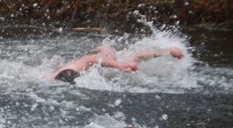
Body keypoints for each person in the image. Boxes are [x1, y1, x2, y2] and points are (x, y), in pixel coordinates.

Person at [50, 45, 184, 83]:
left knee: (131, 61)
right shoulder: (51, 78)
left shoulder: (74, 68)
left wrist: (119, 65)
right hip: (102, 70)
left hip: (100, 62)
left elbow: (91, 58)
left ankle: (168, 50)